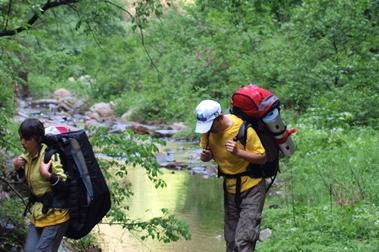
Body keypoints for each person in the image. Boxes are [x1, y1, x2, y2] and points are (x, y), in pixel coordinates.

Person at [195, 99, 267, 252]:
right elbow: (212, 154)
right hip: (229, 188)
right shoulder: (207, 133)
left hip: (252, 186)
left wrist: (238, 152)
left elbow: (262, 158)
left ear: (220, 117)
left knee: (244, 238)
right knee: (231, 240)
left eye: (210, 125)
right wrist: (206, 157)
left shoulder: (243, 129)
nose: (207, 129)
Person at [13, 118, 69, 252]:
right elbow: (29, 184)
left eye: (27, 139)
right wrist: (19, 169)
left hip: (56, 216)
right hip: (38, 214)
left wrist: (48, 175)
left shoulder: (50, 156)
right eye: (21, 138)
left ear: (37, 138)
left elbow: (65, 188)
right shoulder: (26, 158)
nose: (22, 142)